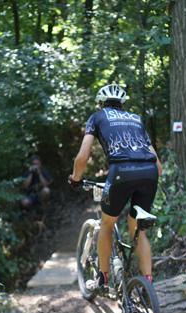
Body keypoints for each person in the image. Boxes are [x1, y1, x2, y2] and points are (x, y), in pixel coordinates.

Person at [69, 84, 162, 293]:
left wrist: (75, 179)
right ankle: (147, 284)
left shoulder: (97, 117)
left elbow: (83, 156)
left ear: (101, 103)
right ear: (123, 104)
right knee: (138, 228)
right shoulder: (136, 119)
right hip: (149, 173)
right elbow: (159, 167)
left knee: (107, 224)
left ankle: (103, 278)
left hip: (121, 173)